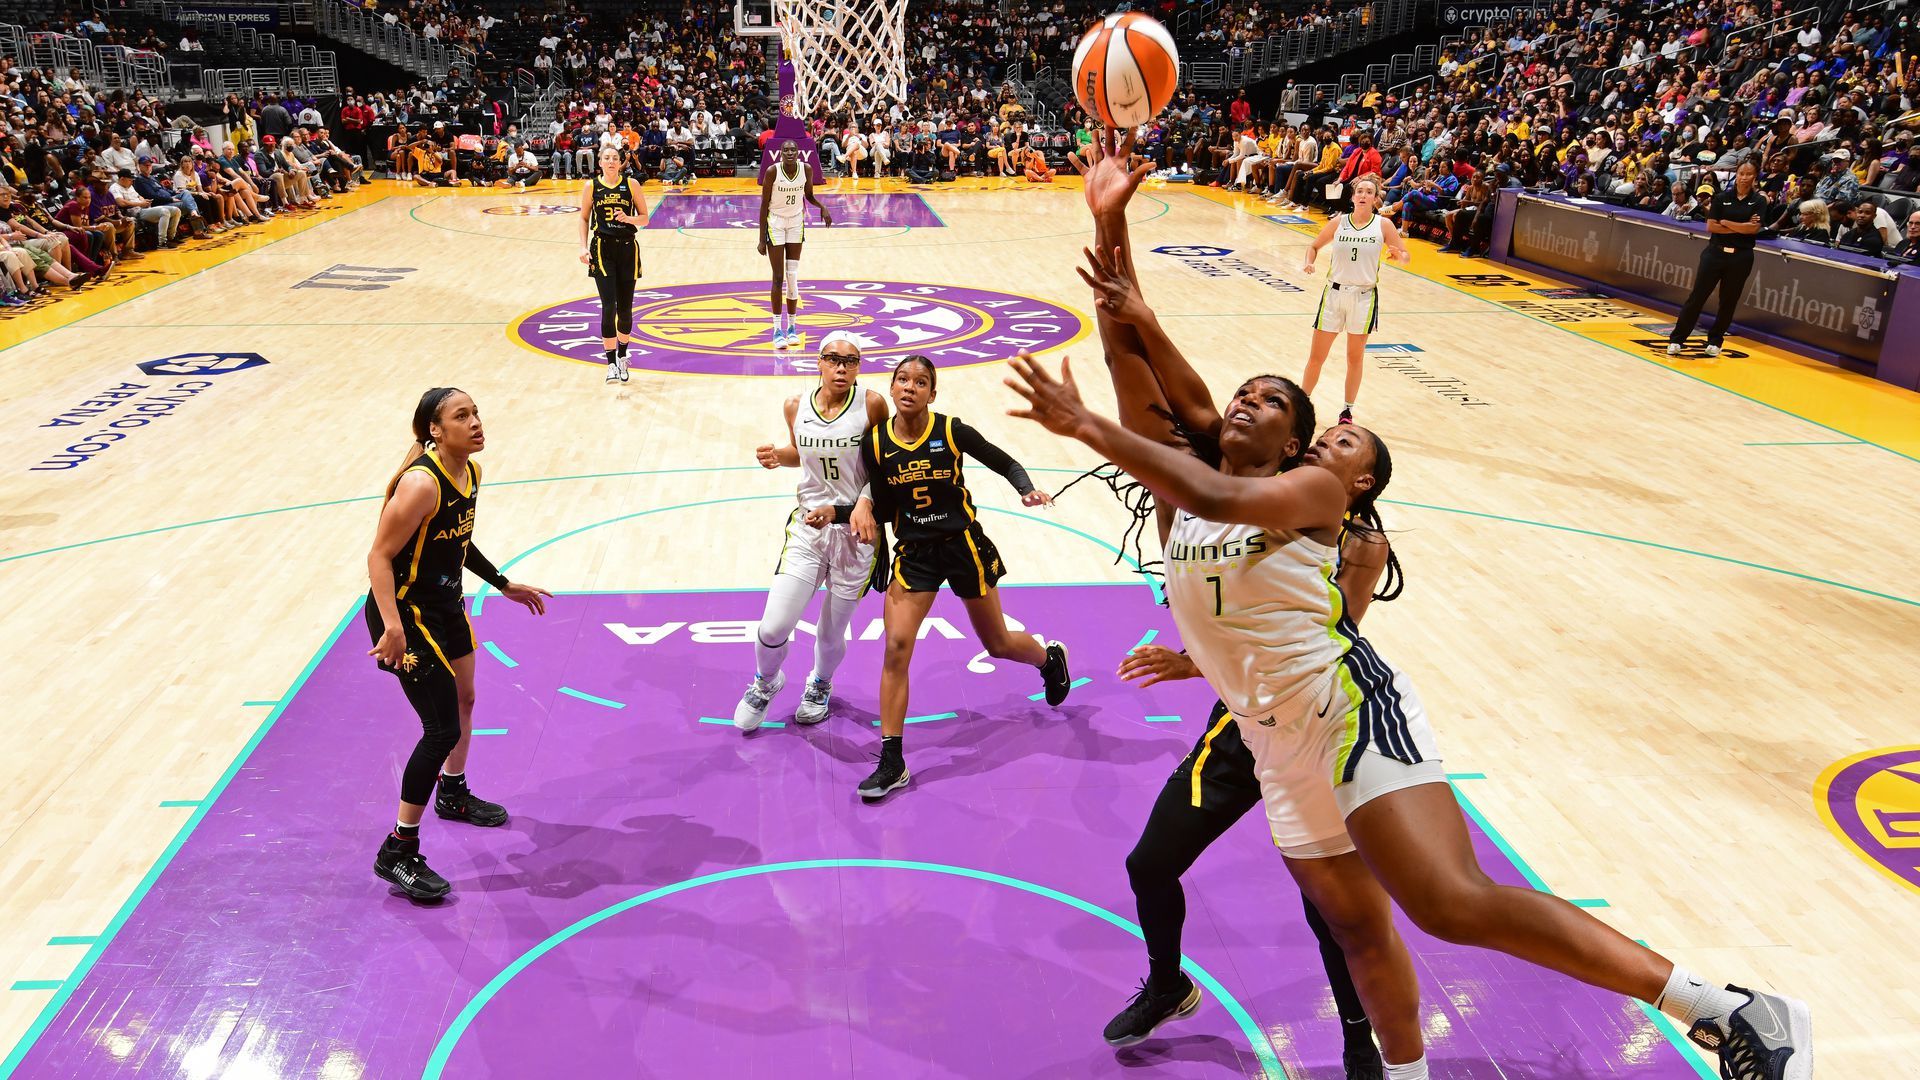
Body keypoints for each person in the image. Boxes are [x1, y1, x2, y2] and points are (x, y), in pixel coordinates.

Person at [1032, 131, 1816, 1080]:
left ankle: (1727, 1008)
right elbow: (1128, 342)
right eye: (1237, 393)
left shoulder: (1310, 498)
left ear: (1301, 443)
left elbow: (1218, 495)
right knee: (1359, 932)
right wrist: (1110, 225)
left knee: (1448, 902)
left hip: (1348, 709)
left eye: (1273, 399)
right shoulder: (1198, 470)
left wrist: (1084, 426)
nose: (1248, 400)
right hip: (1271, 736)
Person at [833, 355, 1073, 800]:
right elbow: (884, 507)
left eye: (920, 382)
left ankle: (1049, 660)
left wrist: (1025, 489)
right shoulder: (877, 442)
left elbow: (1002, 461)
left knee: (997, 643)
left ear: (932, 393)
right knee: (896, 648)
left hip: (963, 546)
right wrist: (851, 509)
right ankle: (891, 760)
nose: (909, 387)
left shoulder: (950, 430)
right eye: (902, 379)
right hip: (916, 554)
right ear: (891, 387)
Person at [365, 388, 552, 900]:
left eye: (475, 412)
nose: (475, 422)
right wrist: (392, 626)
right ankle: (398, 851)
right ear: (435, 431)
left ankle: (453, 793)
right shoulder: (422, 484)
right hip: (404, 614)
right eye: (461, 416)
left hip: (445, 606)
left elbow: (458, 540)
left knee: (466, 699)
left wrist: (502, 584)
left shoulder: (469, 472)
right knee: (441, 727)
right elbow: (379, 557)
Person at [735, 333, 889, 730]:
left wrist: (863, 503)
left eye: (851, 361)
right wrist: (777, 457)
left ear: (859, 366)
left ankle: (820, 683)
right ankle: (765, 681)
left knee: (831, 630)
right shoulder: (795, 406)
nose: (841, 367)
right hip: (807, 529)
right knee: (773, 626)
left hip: (856, 535)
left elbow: (885, 468)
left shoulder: (871, 404)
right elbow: (801, 454)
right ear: (818, 362)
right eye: (833, 359)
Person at [1299, 175, 1411, 424]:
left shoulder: (1383, 225)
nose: (1363, 195)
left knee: (1354, 357)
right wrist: (1309, 262)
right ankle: (1301, 404)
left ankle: (1347, 410)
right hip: (1334, 294)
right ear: (1352, 197)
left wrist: (1398, 255)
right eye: (1359, 191)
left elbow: (1405, 255)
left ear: (1375, 199)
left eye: (1369, 192)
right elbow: (1314, 246)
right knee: (1317, 357)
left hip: (1364, 297)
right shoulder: (1339, 222)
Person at [1667, 160, 1764, 358]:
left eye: (1748, 174)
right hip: (1715, 253)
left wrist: (1727, 222)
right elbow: (1711, 226)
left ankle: (1715, 341)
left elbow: (1753, 229)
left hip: (1741, 256)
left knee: (1728, 301)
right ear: (1736, 174)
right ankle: (1677, 339)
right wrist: (1741, 225)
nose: (1744, 177)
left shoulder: (1759, 201)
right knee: (1697, 297)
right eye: (1741, 173)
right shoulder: (1721, 197)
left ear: (1755, 177)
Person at [579, 143, 648, 384]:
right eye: (606, 158)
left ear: (621, 163)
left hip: (628, 248)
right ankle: (609, 363)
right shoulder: (591, 186)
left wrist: (628, 218)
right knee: (608, 306)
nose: (610, 161)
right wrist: (581, 245)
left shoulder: (631, 184)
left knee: (625, 309)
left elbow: (645, 218)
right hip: (601, 249)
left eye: (615, 158)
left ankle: (622, 355)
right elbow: (584, 217)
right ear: (599, 162)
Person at [758, 140, 832, 351]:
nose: (790, 153)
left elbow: (808, 195)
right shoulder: (773, 172)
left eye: (793, 150)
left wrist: (822, 207)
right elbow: (764, 205)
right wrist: (762, 238)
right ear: (780, 153)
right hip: (776, 223)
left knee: (792, 277)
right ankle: (776, 329)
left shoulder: (805, 169)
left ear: (798, 153)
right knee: (778, 277)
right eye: (786, 150)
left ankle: (791, 328)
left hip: (796, 223)